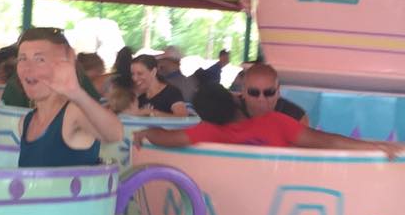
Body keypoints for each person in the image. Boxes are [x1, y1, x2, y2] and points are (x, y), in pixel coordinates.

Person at [132, 83, 403, 158]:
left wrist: (144, 132)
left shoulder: (207, 132)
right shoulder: (275, 122)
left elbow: (166, 137)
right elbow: (327, 141)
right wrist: (374, 148)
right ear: (235, 99)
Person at [15, 27, 123, 167]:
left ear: (63, 65)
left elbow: (114, 134)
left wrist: (76, 93)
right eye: (22, 59)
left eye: (40, 59)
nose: (28, 68)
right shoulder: (25, 122)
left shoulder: (73, 113)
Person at [240, 62, 308, 125]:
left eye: (269, 92)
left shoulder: (295, 118)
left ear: (278, 92)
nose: (261, 99)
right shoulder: (234, 111)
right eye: (253, 92)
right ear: (243, 92)